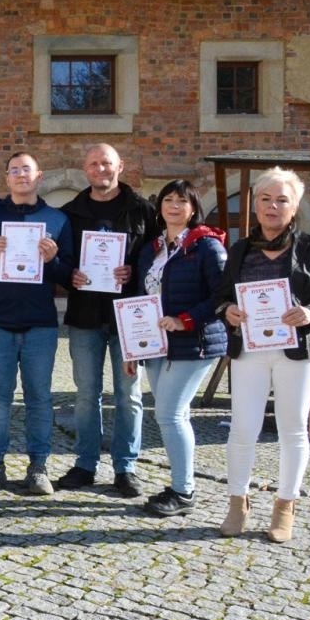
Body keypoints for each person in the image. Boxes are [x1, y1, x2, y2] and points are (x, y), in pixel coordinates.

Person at [213, 168, 310, 543]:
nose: (274, 206)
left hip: (299, 352)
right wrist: (229, 312)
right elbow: (220, 298)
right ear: (255, 205)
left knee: (291, 429)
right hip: (250, 350)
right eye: (266, 199)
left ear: (295, 206)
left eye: (282, 200)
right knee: (242, 428)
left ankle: (286, 505)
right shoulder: (239, 250)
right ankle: (237, 501)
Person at [0, 152, 74, 495]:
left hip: (40, 321)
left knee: (39, 398)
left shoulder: (56, 219)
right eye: (14, 170)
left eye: (26, 169)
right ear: (7, 177)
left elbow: (69, 275)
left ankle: (38, 466)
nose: (20, 175)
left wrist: (53, 258)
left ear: (38, 175)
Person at [57, 143, 156, 497]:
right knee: (86, 394)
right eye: (94, 164)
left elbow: (157, 262)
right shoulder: (69, 213)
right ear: (86, 169)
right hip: (85, 316)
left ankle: (126, 467)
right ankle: (85, 464)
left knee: (129, 395)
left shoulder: (144, 211)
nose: (101, 169)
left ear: (120, 166)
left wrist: (136, 271)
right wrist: (70, 274)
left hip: (129, 318)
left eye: (107, 163)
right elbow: (60, 261)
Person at [129, 180, 227, 517]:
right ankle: (178, 484)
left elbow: (221, 296)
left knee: (169, 414)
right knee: (173, 415)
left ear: (193, 207)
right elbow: (142, 299)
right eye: (168, 200)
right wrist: (134, 349)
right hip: (156, 344)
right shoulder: (152, 248)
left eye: (181, 201)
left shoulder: (207, 247)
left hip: (195, 342)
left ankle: (184, 492)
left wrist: (186, 319)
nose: (173, 206)